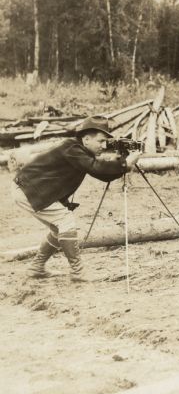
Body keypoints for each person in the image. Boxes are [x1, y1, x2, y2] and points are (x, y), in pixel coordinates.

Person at [11, 116, 142, 282]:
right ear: (86, 139)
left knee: (59, 228)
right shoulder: (71, 147)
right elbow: (95, 167)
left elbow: (102, 175)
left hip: (30, 189)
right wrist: (125, 164)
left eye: (106, 142)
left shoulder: (80, 151)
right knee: (65, 221)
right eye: (101, 141)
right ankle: (78, 271)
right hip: (28, 189)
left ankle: (36, 267)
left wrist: (122, 163)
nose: (104, 146)